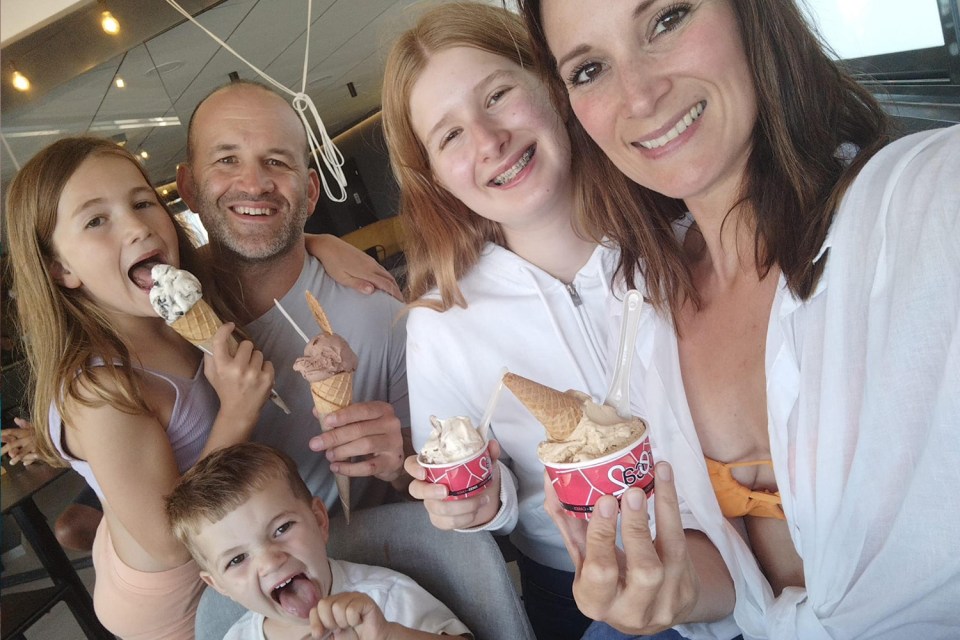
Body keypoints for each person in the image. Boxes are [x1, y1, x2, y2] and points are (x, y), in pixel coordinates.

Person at [518, 0, 960, 638]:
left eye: (667, 20)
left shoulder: (921, 204)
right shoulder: (645, 306)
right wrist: (664, 586)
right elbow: (736, 582)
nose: (639, 95)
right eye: (590, 69)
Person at [380, 5, 710, 640]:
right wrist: (479, 501)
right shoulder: (440, 324)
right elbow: (482, 483)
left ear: (553, 86)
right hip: (579, 582)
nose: (487, 140)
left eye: (497, 95)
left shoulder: (682, 226)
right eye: (449, 135)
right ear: (433, 177)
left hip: (741, 538)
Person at [5, 136, 276, 639]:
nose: (136, 226)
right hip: (176, 602)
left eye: (142, 201)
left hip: (225, 546)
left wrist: (325, 248)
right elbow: (169, 542)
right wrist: (237, 412)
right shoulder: (99, 389)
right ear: (62, 269)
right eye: (95, 220)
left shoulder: (176, 312)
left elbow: (267, 259)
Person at [177, 80, 411, 510]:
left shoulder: (383, 312)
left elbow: (437, 475)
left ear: (310, 192)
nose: (254, 183)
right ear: (188, 187)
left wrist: (400, 465)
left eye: (276, 161)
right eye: (227, 159)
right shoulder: (157, 331)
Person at [165, 442, 471, 640]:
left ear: (319, 520)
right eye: (235, 560)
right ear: (218, 585)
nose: (270, 561)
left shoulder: (386, 598)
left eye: (282, 528)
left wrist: (389, 635)